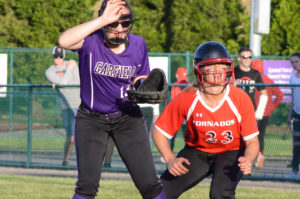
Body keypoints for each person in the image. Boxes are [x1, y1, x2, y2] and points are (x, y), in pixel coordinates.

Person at [58, 0, 165, 198]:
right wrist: (102, 20)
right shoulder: (91, 40)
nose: (119, 28)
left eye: (124, 23)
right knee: (87, 186)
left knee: (150, 184)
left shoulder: (138, 44)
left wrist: (145, 87)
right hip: (92, 119)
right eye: (113, 23)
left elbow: (140, 77)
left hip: (127, 117)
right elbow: (64, 41)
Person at [152, 41, 259, 199]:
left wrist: (248, 159)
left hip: (231, 152)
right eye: (211, 68)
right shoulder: (187, 98)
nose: (218, 73)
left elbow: (252, 141)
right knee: (160, 193)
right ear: (199, 70)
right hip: (197, 152)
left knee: (220, 193)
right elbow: (159, 131)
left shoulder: (239, 98)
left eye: (222, 67)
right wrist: (170, 159)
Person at [45, 46, 80, 166]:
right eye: (56, 56)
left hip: (78, 105)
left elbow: (79, 82)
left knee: (82, 136)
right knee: (70, 137)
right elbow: (64, 83)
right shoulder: (50, 71)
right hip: (65, 106)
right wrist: (67, 73)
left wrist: (61, 83)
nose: (58, 59)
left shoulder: (72, 64)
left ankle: (85, 162)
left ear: (64, 56)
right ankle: (65, 160)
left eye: (60, 56)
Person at [234, 47, 268, 169]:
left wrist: (259, 112)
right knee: (236, 137)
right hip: (234, 110)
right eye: (244, 57)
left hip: (249, 110)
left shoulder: (255, 74)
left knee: (250, 137)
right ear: (239, 58)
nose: (247, 59)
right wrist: (233, 84)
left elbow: (264, 93)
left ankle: (251, 159)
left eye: (249, 57)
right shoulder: (233, 72)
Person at [252, 60, 284, 168]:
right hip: (265, 113)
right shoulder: (269, 80)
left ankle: (251, 158)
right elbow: (280, 96)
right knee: (260, 136)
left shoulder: (251, 80)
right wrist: (271, 107)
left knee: (250, 137)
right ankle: (259, 157)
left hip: (252, 112)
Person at [285, 52, 300, 180]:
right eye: (292, 62)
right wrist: (290, 115)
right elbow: (293, 98)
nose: (294, 64)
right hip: (297, 114)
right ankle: (294, 172)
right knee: (296, 144)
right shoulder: (292, 78)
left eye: (296, 61)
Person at [169, 67, 190, 151]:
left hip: (177, 114)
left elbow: (172, 100)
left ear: (177, 75)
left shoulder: (174, 85)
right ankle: (189, 155)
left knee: (172, 136)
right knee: (188, 138)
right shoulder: (190, 85)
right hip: (187, 114)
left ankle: (168, 156)